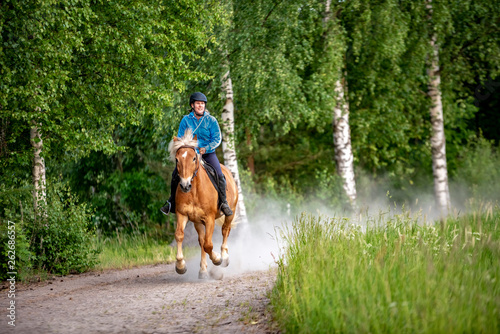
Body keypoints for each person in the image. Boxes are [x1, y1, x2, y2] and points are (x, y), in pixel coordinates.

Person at [160, 92, 234, 216]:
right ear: (192, 105)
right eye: (198, 103)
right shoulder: (185, 120)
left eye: (202, 104)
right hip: (190, 155)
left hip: (207, 153)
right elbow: (180, 136)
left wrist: (206, 148)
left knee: (220, 174)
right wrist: (180, 144)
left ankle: (223, 203)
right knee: (175, 174)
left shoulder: (211, 120)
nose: (200, 106)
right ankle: (171, 202)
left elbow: (217, 138)